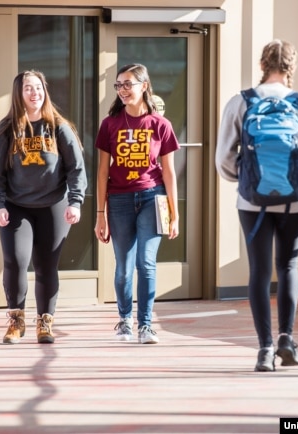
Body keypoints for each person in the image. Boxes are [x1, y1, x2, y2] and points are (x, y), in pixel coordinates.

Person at [215, 40, 298, 372]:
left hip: (251, 203)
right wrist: (297, 181)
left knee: (259, 272)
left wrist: (248, 179)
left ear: (262, 64)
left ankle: (264, 349)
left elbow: (223, 157)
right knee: (288, 267)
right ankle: (286, 339)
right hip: (296, 202)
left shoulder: (241, 101)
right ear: (292, 67)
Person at [0, 70, 88, 345]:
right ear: (19, 94)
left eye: (38, 88)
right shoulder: (7, 130)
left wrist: (75, 201)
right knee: (16, 261)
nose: (34, 93)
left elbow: (76, 169)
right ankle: (16, 322)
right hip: (16, 206)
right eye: (28, 88)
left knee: (46, 266)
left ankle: (45, 322)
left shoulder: (59, 127)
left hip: (54, 205)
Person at [94, 63, 180, 345]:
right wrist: (100, 214)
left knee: (146, 263)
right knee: (123, 267)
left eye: (128, 84)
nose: (122, 90)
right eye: (118, 85)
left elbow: (168, 172)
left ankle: (145, 325)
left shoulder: (160, 125)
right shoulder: (109, 125)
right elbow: (103, 172)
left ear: (144, 86)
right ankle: (124, 321)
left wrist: (174, 214)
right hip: (118, 200)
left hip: (152, 198)